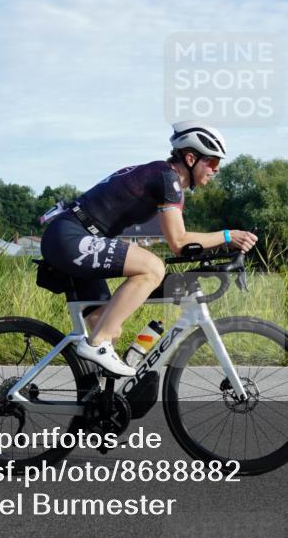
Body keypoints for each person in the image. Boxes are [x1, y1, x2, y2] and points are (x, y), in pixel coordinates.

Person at [39, 122, 258, 376]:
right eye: (212, 161)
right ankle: (96, 344)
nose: (216, 169)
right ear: (190, 158)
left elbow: (182, 245)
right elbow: (179, 242)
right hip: (70, 237)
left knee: (109, 326)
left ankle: (96, 394)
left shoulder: (165, 177)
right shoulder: (167, 179)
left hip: (74, 237)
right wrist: (228, 236)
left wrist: (217, 249)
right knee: (152, 268)